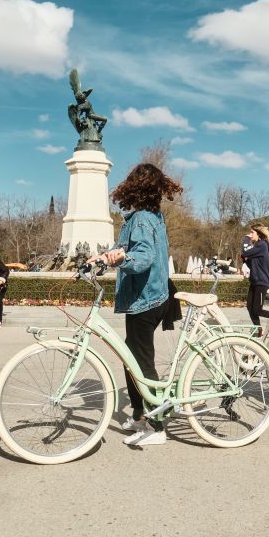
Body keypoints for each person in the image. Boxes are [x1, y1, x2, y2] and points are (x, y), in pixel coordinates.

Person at [93, 163, 182, 447]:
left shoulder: (141, 218)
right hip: (149, 297)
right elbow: (133, 251)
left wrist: (120, 259)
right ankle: (141, 414)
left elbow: (143, 257)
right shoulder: (147, 216)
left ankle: (156, 427)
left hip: (147, 298)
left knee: (141, 363)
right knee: (132, 359)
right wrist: (103, 258)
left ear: (135, 187)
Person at [241, 224, 269, 334]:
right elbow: (248, 259)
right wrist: (245, 262)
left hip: (262, 282)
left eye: (252, 233)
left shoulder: (262, 245)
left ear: (258, 234)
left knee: (257, 309)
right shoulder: (257, 247)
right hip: (254, 281)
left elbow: (245, 252)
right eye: (249, 233)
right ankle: (258, 329)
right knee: (250, 307)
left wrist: (246, 238)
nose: (250, 235)